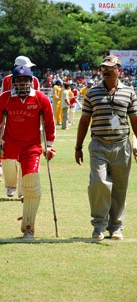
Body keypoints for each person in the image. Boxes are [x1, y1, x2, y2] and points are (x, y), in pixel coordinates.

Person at [75, 55, 137, 241]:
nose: (107, 70)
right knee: (99, 182)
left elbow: (134, 120)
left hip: (121, 145)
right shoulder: (92, 93)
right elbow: (84, 120)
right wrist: (78, 146)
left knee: (120, 187)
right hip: (98, 145)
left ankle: (116, 227)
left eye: (111, 67)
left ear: (119, 69)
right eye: (104, 68)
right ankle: (99, 225)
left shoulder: (129, 92)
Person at [0, 65, 55, 239]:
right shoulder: (4, 99)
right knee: (10, 176)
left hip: (31, 147)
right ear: (13, 82)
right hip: (9, 144)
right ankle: (10, 188)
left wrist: (48, 145)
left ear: (31, 81)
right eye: (18, 81)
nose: (21, 84)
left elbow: (49, 123)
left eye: (25, 80)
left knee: (32, 185)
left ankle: (28, 227)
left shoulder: (41, 99)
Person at [1, 55, 40, 198]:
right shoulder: (7, 80)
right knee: (8, 158)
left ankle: (23, 189)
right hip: (11, 121)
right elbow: (2, 98)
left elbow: (36, 96)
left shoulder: (33, 80)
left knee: (26, 159)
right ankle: (10, 185)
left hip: (29, 122)